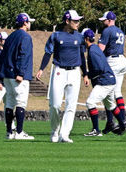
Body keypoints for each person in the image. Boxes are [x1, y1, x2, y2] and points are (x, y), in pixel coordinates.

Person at [35, 10, 87, 143]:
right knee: (55, 104)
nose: (78, 23)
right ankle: (54, 131)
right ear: (67, 21)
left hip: (75, 72)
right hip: (59, 71)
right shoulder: (56, 36)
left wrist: (85, 74)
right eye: (75, 21)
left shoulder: (80, 37)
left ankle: (65, 134)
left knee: (71, 105)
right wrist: (41, 69)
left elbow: (82, 56)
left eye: (78, 20)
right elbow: (48, 53)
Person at [81, 28, 126, 136]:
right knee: (110, 104)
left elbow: (99, 68)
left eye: (82, 38)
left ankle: (96, 130)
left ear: (86, 39)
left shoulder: (92, 50)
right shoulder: (96, 48)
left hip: (105, 81)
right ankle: (123, 125)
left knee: (90, 102)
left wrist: (88, 74)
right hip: (111, 80)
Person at [0, 12, 36, 140]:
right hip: (18, 75)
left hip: (7, 74)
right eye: (29, 21)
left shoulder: (10, 37)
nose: (30, 23)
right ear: (25, 22)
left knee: (9, 102)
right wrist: (21, 73)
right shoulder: (25, 37)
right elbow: (23, 55)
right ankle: (19, 132)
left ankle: (9, 132)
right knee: (20, 102)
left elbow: (2, 56)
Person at [97, 11, 126, 134]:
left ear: (109, 20)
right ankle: (121, 120)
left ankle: (115, 122)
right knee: (117, 92)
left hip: (112, 61)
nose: (102, 22)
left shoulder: (107, 31)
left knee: (107, 92)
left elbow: (100, 49)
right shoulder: (120, 30)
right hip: (122, 60)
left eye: (104, 20)